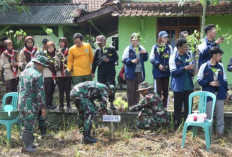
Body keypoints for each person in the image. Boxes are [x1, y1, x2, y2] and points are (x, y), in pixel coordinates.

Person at [19, 55, 48, 152]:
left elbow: (19, 88)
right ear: (39, 64)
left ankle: (30, 143)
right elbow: (40, 93)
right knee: (29, 125)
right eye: (43, 66)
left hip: (22, 103)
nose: (43, 68)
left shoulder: (23, 72)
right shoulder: (38, 75)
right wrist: (43, 107)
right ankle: (25, 147)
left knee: (27, 123)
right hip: (31, 104)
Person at [197, 47, 228, 136]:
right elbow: (199, 80)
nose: (220, 56)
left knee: (220, 114)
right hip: (209, 94)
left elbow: (225, 80)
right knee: (208, 114)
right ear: (214, 55)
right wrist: (209, 83)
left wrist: (226, 91)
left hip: (220, 94)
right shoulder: (204, 66)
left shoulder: (221, 66)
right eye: (219, 55)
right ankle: (208, 133)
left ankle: (220, 132)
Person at [169, 38, 195, 129]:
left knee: (189, 108)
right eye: (184, 47)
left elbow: (190, 70)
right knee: (177, 109)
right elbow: (174, 73)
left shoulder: (189, 56)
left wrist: (193, 71)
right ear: (179, 47)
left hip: (189, 87)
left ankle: (188, 128)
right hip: (178, 87)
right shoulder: (173, 57)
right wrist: (185, 68)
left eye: (187, 46)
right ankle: (177, 127)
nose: (186, 48)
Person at [92, 35, 118, 109]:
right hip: (101, 73)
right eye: (98, 43)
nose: (99, 44)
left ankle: (112, 103)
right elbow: (94, 62)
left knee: (111, 87)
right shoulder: (98, 51)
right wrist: (93, 72)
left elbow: (116, 58)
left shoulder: (111, 49)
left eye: (100, 42)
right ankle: (102, 104)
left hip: (110, 72)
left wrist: (109, 60)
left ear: (104, 41)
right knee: (101, 88)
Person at [122, 33, 148, 107]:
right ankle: (130, 106)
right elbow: (124, 60)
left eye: (136, 40)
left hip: (139, 72)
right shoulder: (128, 49)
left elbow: (145, 59)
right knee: (130, 90)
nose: (135, 42)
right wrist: (131, 61)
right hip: (130, 73)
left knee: (137, 90)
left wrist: (145, 53)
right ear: (130, 41)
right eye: (133, 40)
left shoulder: (141, 48)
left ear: (138, 41)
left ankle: (136, 105)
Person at [150, 31, 172, 108]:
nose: (166, 38)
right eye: (164, 37)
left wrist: (167, 66)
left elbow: (171, 59)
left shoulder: (169, 47)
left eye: (167, 37)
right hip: (157, 72)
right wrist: (158, 64)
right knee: (158, 90)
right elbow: (151, 59)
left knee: (166, 90)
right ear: (160, 38)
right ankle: (157, 107)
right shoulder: (155, 47)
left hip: (166, 72)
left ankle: (165, 106)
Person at [55, 37, 72, 111]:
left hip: (68, 74)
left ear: (65, 42)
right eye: (60, 42)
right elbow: (55, 59)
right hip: (60, 74)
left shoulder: (70, 50)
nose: (61, 43)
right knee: (60, 90)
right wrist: (56, 66)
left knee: (68, 90)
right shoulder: (57, 51)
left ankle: (68, 104)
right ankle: (61, 104)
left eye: (62, 42)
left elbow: (72, 60)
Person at [0, 39, 19, 103]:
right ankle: (8, 104)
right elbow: (2, 65)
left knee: (15, 89)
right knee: (8, 90)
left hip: (16, 74)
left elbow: (20, 62)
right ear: (5, 46)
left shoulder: (16, 53)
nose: (9, 46)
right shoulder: (4, 54)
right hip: (8, 75)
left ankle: (15, 103)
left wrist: (16, 63)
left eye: (10, 44)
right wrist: (10, 65)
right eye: (8, 45)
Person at [43, 41, 57, 110]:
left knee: (52, 90)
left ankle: (50, 103)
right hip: (47, 75)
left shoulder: (56, 55)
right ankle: (47, 104)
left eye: (52, 47)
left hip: (54, 75)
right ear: (46, 48)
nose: (51, 49)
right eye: (49, 48)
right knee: (47, 90)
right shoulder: (44, 55)